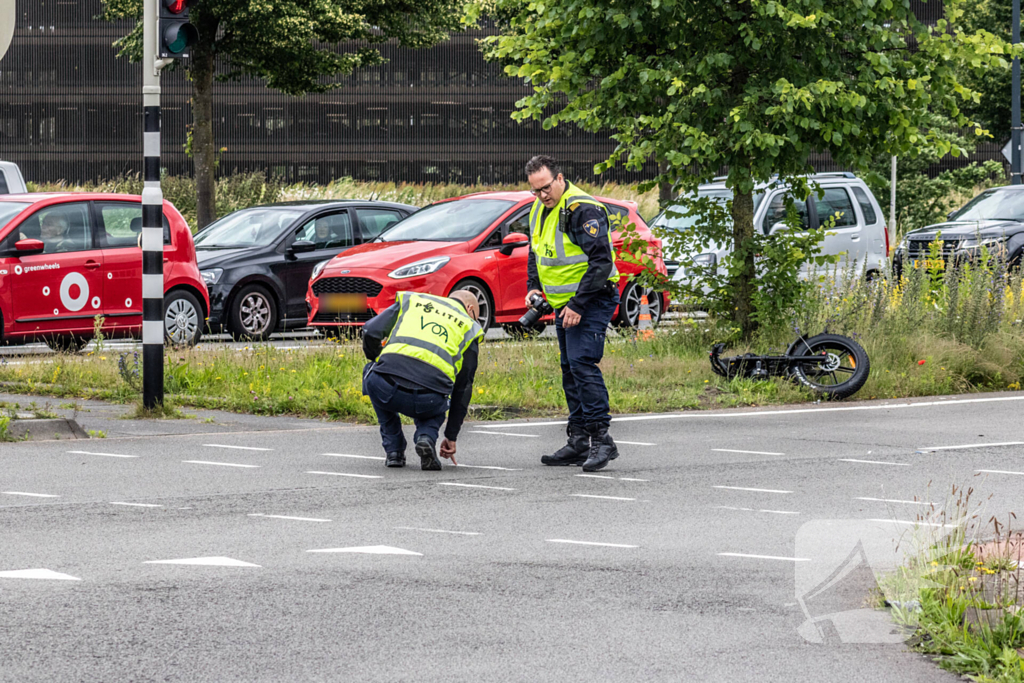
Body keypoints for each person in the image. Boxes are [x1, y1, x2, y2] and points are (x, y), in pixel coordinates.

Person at [524, 155, 620, 472]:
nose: (542, 195)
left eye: (546, 187)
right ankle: (579, 440)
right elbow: (536, 250)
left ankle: (601, 440)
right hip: (563, 303)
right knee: (570, 368)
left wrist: (578, 305)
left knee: (582, 364)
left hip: (591, 299)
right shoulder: (539, 208)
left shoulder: (581, 209)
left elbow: (602, 262)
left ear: (560, 178)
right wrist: (533, 285)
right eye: (535, 190)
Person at [361, 290, 483, 470]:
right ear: (470, 308)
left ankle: (394, 451)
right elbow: (462, 388)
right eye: (476, 317)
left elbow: (370, 330)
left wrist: (377, 359)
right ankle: (426, 437)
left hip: (385, 386)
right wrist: (451, 436)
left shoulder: (414, 301)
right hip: (429, 399)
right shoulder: (468, 326)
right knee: (443, 394)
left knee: (371, 373)